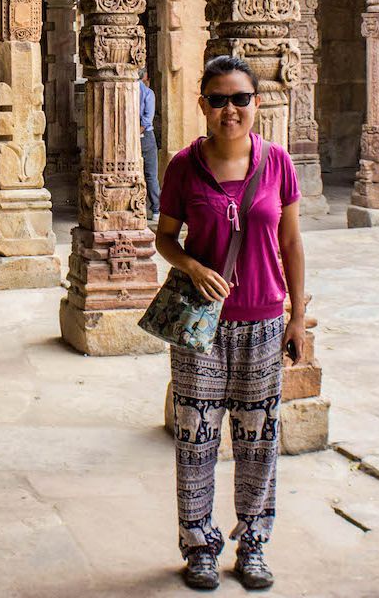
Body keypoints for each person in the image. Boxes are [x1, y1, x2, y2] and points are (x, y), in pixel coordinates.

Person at [155, 55, 306, 591]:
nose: (230, 110)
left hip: (263, 321)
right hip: (202, 328)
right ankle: (199, 545)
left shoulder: (277, 163)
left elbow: (291, 243)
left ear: (256, 103)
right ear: (203, 105)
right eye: (218, 99)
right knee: (196, 440)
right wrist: (192, 266)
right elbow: (165, 238)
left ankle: (254, 544)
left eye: (240, 98)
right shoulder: (184, 166)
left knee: (258, 440)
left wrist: (297, 317)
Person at [139, 68, 160, 222]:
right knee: (151, 175)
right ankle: (156, 210)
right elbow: (147, 120)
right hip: (145, 136)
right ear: (145, 75)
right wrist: (137, 132)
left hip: (127, 136)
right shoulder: (147, 93)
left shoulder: (127, 91)